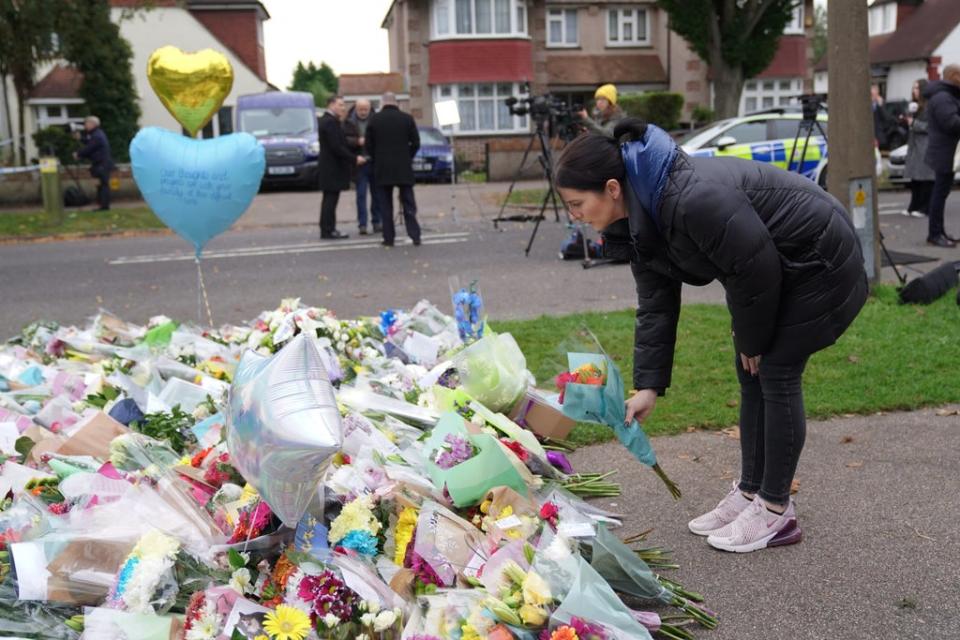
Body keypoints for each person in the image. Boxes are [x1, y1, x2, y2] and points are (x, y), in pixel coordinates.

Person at [554, 118, 868, 553]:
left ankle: (776, 510)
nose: (574, 216)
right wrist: (649, 387)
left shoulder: (687, 200)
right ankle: (751, 492)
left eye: (575, 204)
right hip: (773, 269)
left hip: (820, 260)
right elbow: (656, 304)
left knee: (774, 370)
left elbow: (754, 269)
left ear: (611, 188)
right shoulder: (636, 218)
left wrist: (752, 339)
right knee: (749, 372)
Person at [365, 92, 421, 247]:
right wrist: (407, 157)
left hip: (382, 168)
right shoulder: (407, 119)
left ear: (382, 103)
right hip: (403, 167)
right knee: (408, 202)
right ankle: (415, 235)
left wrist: (377, 158)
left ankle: (388, 238)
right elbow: (416, 143)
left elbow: (368, 146)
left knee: (385, 204)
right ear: (396, 103)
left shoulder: (374, 120)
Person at [922, 64, 960, 248]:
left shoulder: (945, 95)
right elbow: (951, 123)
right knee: (939, 194)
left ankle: (939, 232)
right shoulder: (944, 97)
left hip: (945, 151)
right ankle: (935, 234)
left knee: (941, 193)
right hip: (945, 152)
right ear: (953, 76)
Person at [318, 95, 365, 240]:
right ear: (331, 105)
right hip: (332, 168)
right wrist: (354, 158)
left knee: (330, 199)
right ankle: (328, 230)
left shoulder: (327, 121)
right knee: (330, 200)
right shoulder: (330, 122)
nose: (343, 108)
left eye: (343, 105)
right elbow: (337, 147)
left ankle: (328, 228)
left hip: (329, 167)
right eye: (340, 105)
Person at [344, 99, 382, 235]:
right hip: (359, 163)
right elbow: (344, 139)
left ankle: (377, 222)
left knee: (377, 194)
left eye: (365, 109)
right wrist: (356, 141)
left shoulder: (376, 120)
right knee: (361, 195)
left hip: (374, 161)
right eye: (360, 109)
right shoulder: (348, 121)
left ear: (370, 108)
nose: (363, 112)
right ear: (356, 108)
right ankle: (362, 224)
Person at [903, 79, 934, 219]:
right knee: (915, 179)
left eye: (917, 88)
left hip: (924, 146)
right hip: (915, 147)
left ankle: (924, 208)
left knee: (924, 179)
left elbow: (929, 127)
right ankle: (913, 206)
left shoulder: (929, 106)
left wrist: (913, 123)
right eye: (913, 87)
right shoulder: (915, 106)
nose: (914, 90)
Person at [74, 115, 115, 211]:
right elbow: (89, 142)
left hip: (101, 164)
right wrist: (80, 139)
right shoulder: (96, 134)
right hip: (101, 163)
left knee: (103, 185)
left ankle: (104, 206)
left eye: (87, 123)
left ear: (93, 124)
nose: (85, 126)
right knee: (100, 184)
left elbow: (90, 148)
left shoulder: (97, 135)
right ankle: (102, 204)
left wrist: (78, 154)